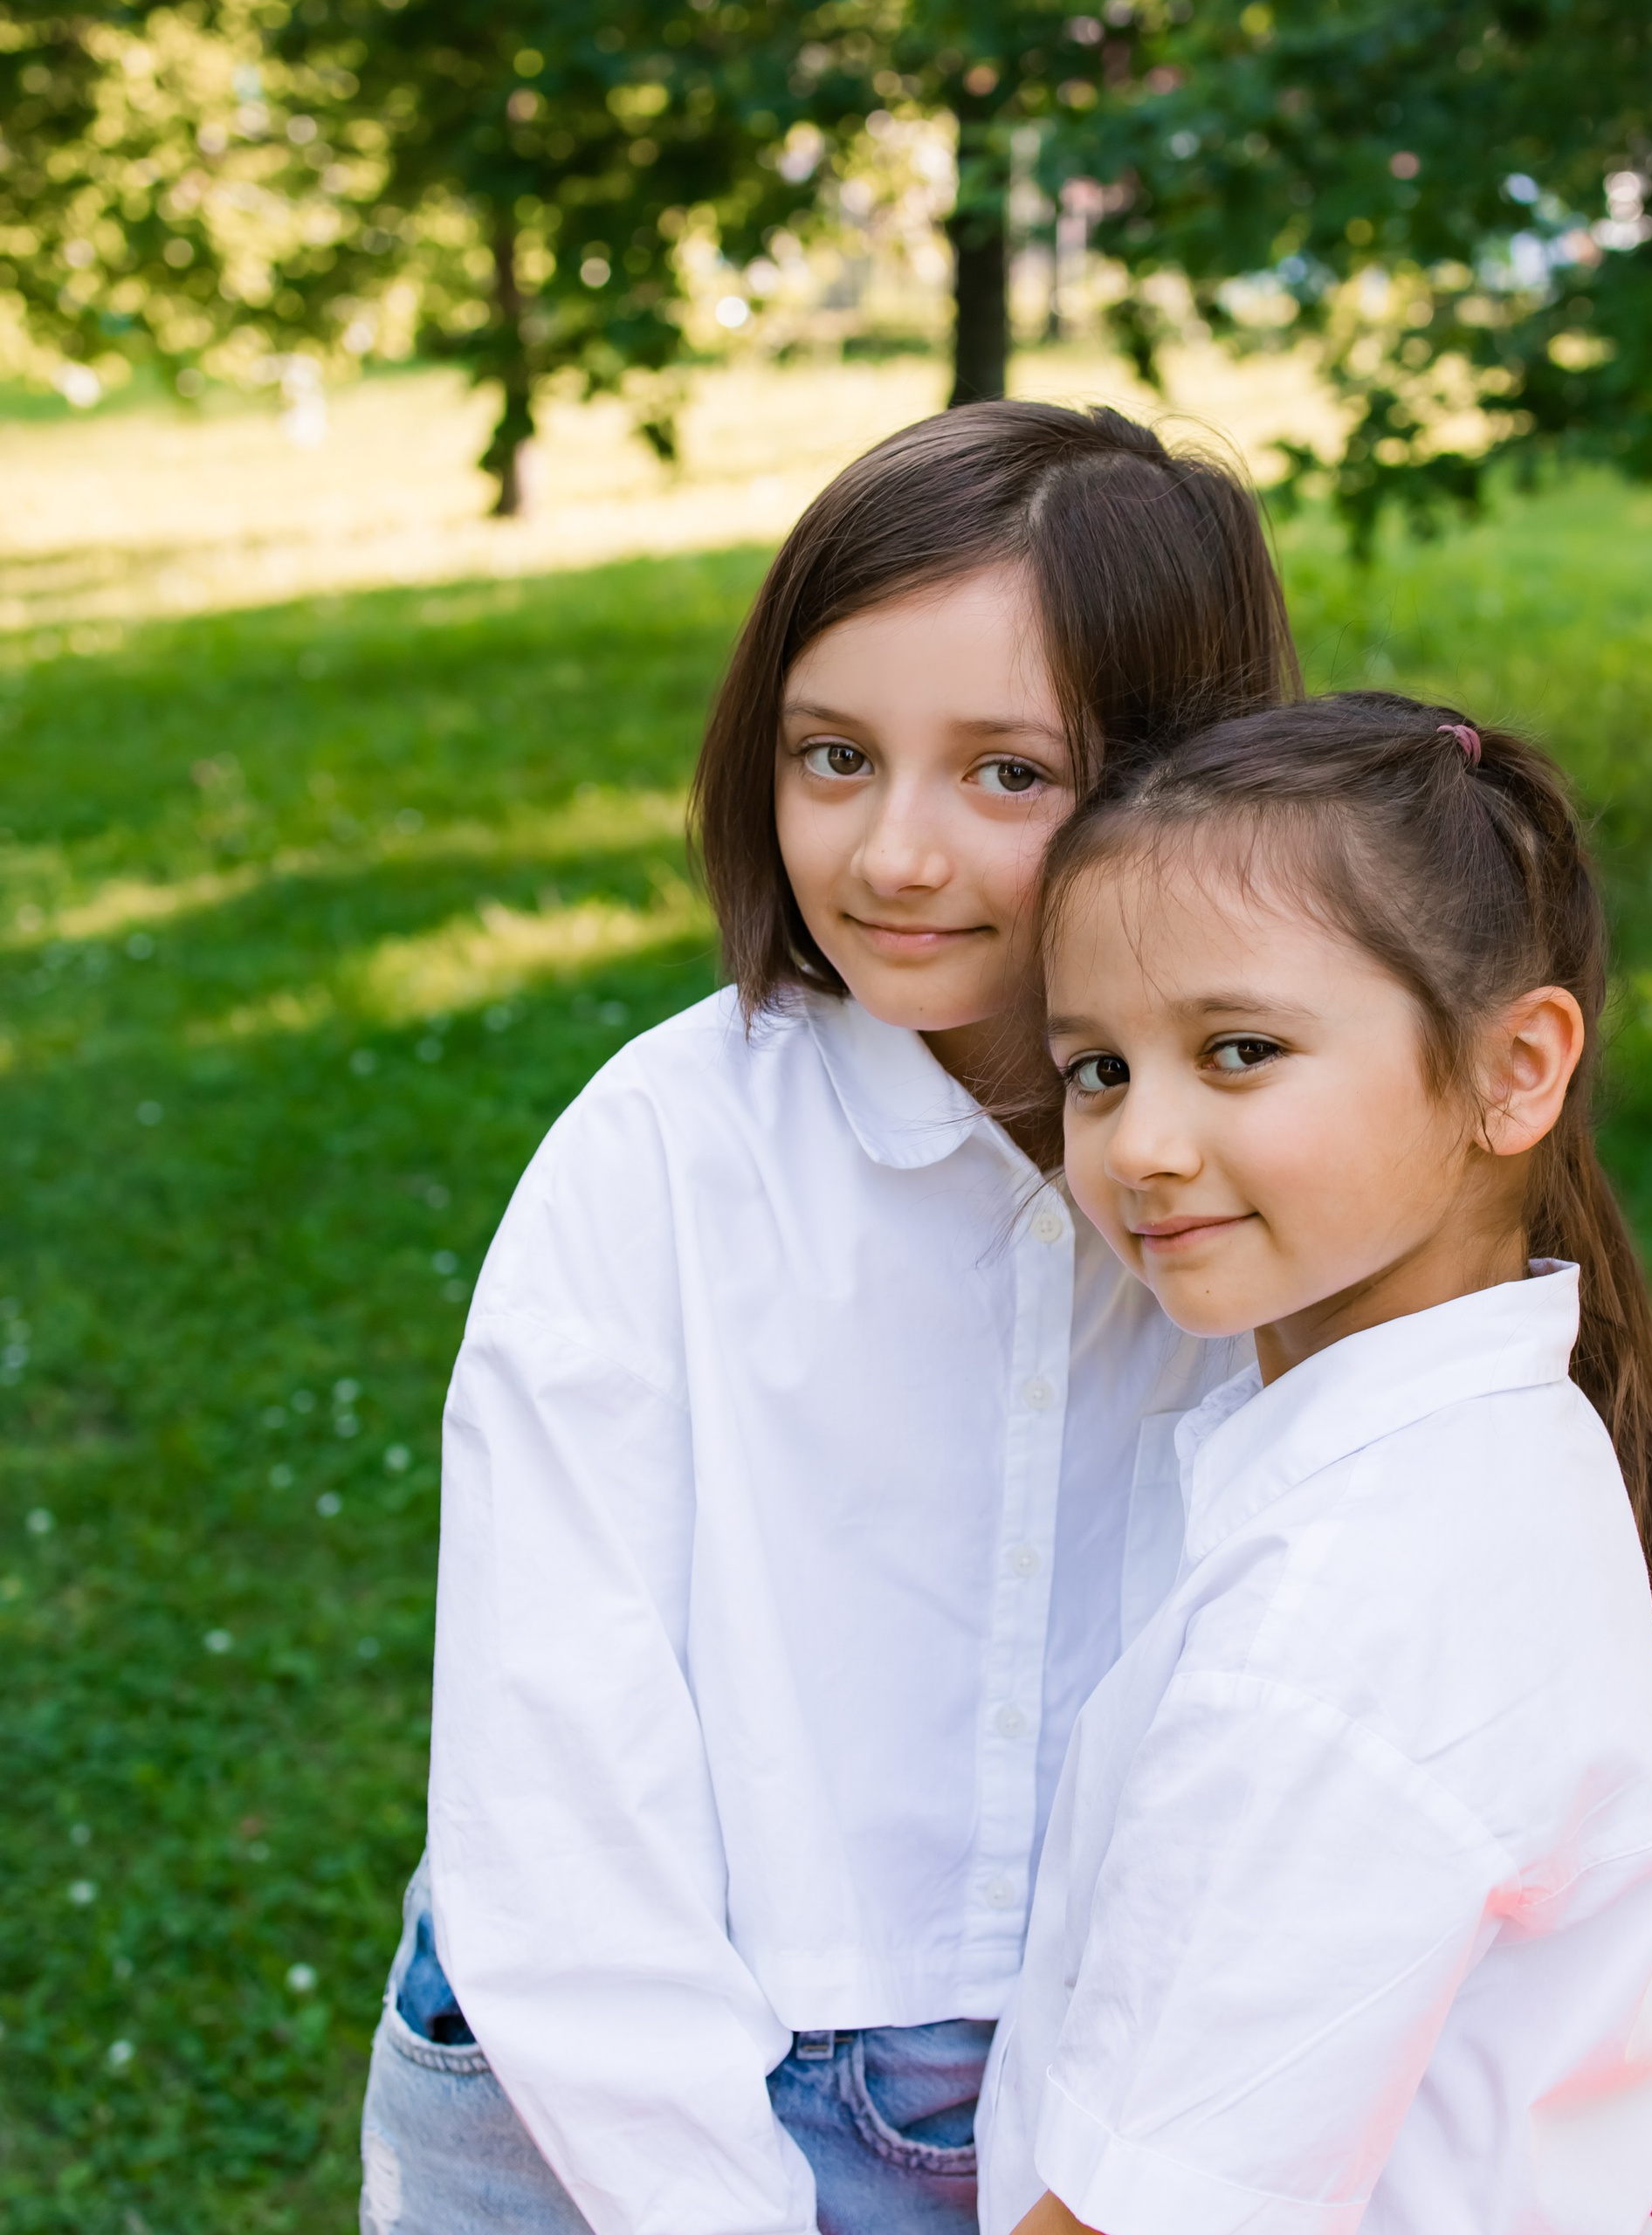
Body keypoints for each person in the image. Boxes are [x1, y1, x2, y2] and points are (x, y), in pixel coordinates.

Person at [358, 402, 1301, 2235]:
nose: (893, 854)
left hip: (1069, 2099)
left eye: (1004, 774)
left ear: (1183, 776)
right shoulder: (665, 1155)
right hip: (613, 2081)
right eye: (833, 755)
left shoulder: (1265, 1185)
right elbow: (557, 1775)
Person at [981, 691, 1652, 2235]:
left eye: (1238, 1050)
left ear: (1513, 1069)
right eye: (1096, 1070)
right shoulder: (1471, 1457)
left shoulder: (1341, 1623)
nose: (1141, 1142)